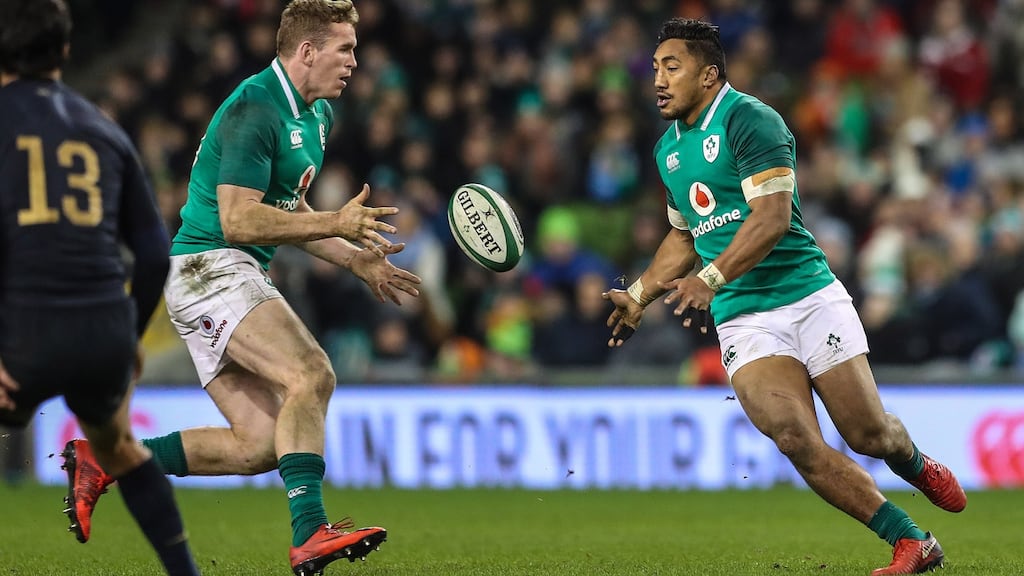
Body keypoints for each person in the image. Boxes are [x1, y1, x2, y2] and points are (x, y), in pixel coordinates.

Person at [62, 1, 422, 575]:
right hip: (211, 266)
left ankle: (102, 460)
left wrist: (355, 261)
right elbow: (239, 219)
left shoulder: (317, 115)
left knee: (259, 443)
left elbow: (287, 208)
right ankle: (310, 533)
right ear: (307, 51)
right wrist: (336, 222)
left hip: (223, 272)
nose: (356, 60)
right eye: (345, 48)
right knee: (312, 374)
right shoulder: (255, 108)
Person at [602, 18, 966, 576]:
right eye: (655, 68)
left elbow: (770, 219)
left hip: (806, 294)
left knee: (868, 435)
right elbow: (685, 234)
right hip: (743, 316)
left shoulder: (751, 120)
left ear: (708, 74)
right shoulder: (666, 153)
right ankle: (910, 540)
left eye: (671, 67)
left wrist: (711, 278)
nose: (658, 79)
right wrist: (639, 293)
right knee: (793, 435)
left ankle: (912, 459)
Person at [0, 1, 201, 575]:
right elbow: (157, 253)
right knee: (117, 447)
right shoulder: (104, 130)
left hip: (25, 337)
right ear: (64, 51)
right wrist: (129, 337)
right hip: (104, 334)